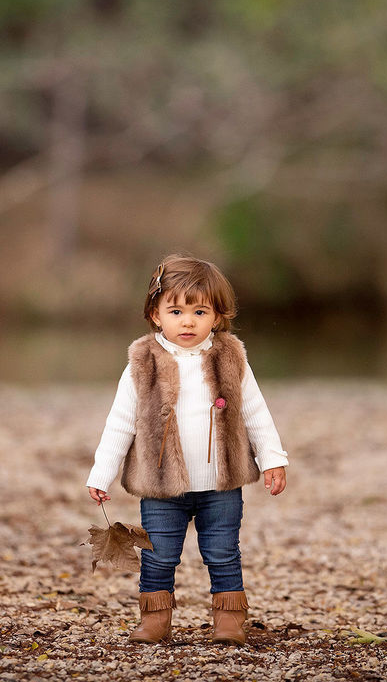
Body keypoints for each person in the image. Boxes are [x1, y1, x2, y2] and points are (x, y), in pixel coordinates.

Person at [86, 255, 289, 646]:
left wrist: (272, 460)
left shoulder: (230, 358)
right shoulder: (142, 363)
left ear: (217, 316)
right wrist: (101, 473)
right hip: (162, 487)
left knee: (223, 552)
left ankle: (229, 622)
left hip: (222, 483)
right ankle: (155, 622)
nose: (188, 321)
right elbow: (121, 423)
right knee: (160, 555)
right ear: (155, 314)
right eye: (176, 310)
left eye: (200, 311)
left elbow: (254, 413)